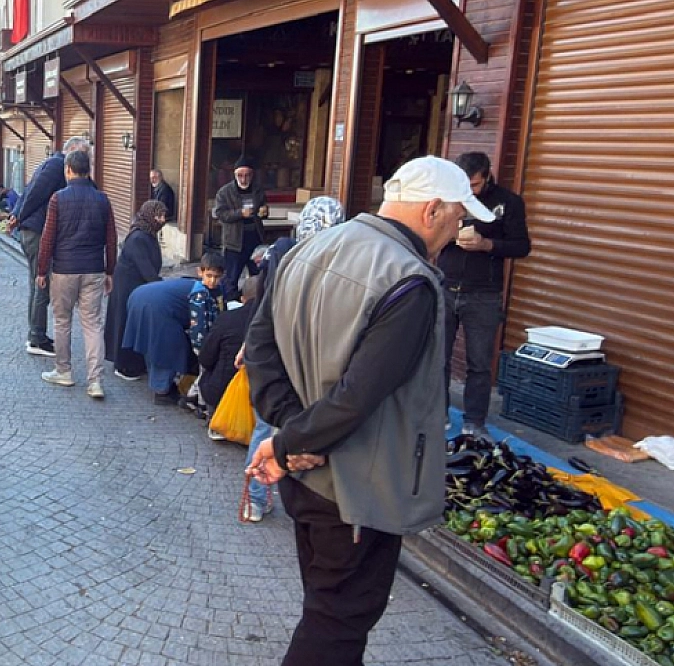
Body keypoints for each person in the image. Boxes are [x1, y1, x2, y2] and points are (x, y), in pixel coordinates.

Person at [244, 156, 494, 665]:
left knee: (325, 606)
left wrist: (292, 435)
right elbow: (358, 396)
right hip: (358, 489)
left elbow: (259, 350)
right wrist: (296, 443)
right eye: (456, 218)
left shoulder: (307, 248)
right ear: (432, 210)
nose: (456, 230)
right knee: (337, 621)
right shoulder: (410, 281)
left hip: (307, 482)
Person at [236, 196, 344, 523]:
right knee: (300, 423)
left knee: (270, 420)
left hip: (278, 353)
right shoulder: (342, 262)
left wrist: (250, 343)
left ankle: (255, 499)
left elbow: (262, 306)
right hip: (315, 360)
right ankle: (298, 497)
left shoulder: (282, 252)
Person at [438, 151, 530, 436]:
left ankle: (474, 422)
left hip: (484, 293)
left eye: (475, 185)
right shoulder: (448, 197)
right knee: (437, 357)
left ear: (487, 176)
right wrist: (447, 236)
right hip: (446, 284)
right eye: (464, 185)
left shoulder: (509, 202)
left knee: (479, 362)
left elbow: (521, 246)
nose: (469, 191)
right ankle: (437, 414)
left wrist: (487, 245)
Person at [34, 148, 116, 399]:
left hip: (64, 270)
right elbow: (111, 239)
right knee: (92, 325)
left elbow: (48, 238)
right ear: (88, 170)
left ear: (68, 170)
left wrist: (41, 270)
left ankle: (64, 371)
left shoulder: (58, 199)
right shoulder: (103, 199)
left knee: (62, 321)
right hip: (93, 269)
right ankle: (95, 381)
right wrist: (110, 270)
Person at [9, 136, 90, 357]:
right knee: (41, 283)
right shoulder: (56, 166)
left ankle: (36, 334)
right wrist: (18, 217)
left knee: (37, 283)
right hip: (37, 232)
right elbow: (34, 193)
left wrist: (18, 216)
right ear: (72, 151)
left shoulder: (54, 165)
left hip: (34, 231)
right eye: (83, 154)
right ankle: (36, 338)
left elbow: (30, 190)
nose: (86, 160)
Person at [121, 252, 224, 406]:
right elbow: (199, 328)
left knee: (154, 342)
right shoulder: (201, 294)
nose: (213, 281)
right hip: (157, 308)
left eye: (216, 277)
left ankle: (157, 380)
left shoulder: (192, 284)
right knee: (168, 346)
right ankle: (162, 390)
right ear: (200, 272)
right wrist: (203, 353)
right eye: (209, 276)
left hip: (139, 296)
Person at [105, 200, 166, 381]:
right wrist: (161, 286)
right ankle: (124, 364)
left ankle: (133, 362)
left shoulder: (148, 234)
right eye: (158, 216)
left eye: (163, 216)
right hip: (128, 287)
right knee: (125, 323)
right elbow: (145, 268)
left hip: (136, 286)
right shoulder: (139, 238)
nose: (162, 220)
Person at [198, 274, 259, 430]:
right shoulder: (276, 321)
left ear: (243, 299)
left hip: (220, 390)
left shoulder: (226, 318)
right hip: (262, 396)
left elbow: (206, 357)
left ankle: (213, 415)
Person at [213, 156, 268, 302]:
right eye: (240, 175)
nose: (243, 179)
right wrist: (239, 213)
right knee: (231, 277)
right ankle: (230, 307)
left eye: (247, 175)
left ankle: (255, 304)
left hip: (255, 239)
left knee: (258, 276)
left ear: (252, 175)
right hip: (234, 241)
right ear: (235, 174)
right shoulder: (224, 192)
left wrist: (264, 211)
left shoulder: (258, 190)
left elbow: (263, 208)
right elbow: (220, 214)